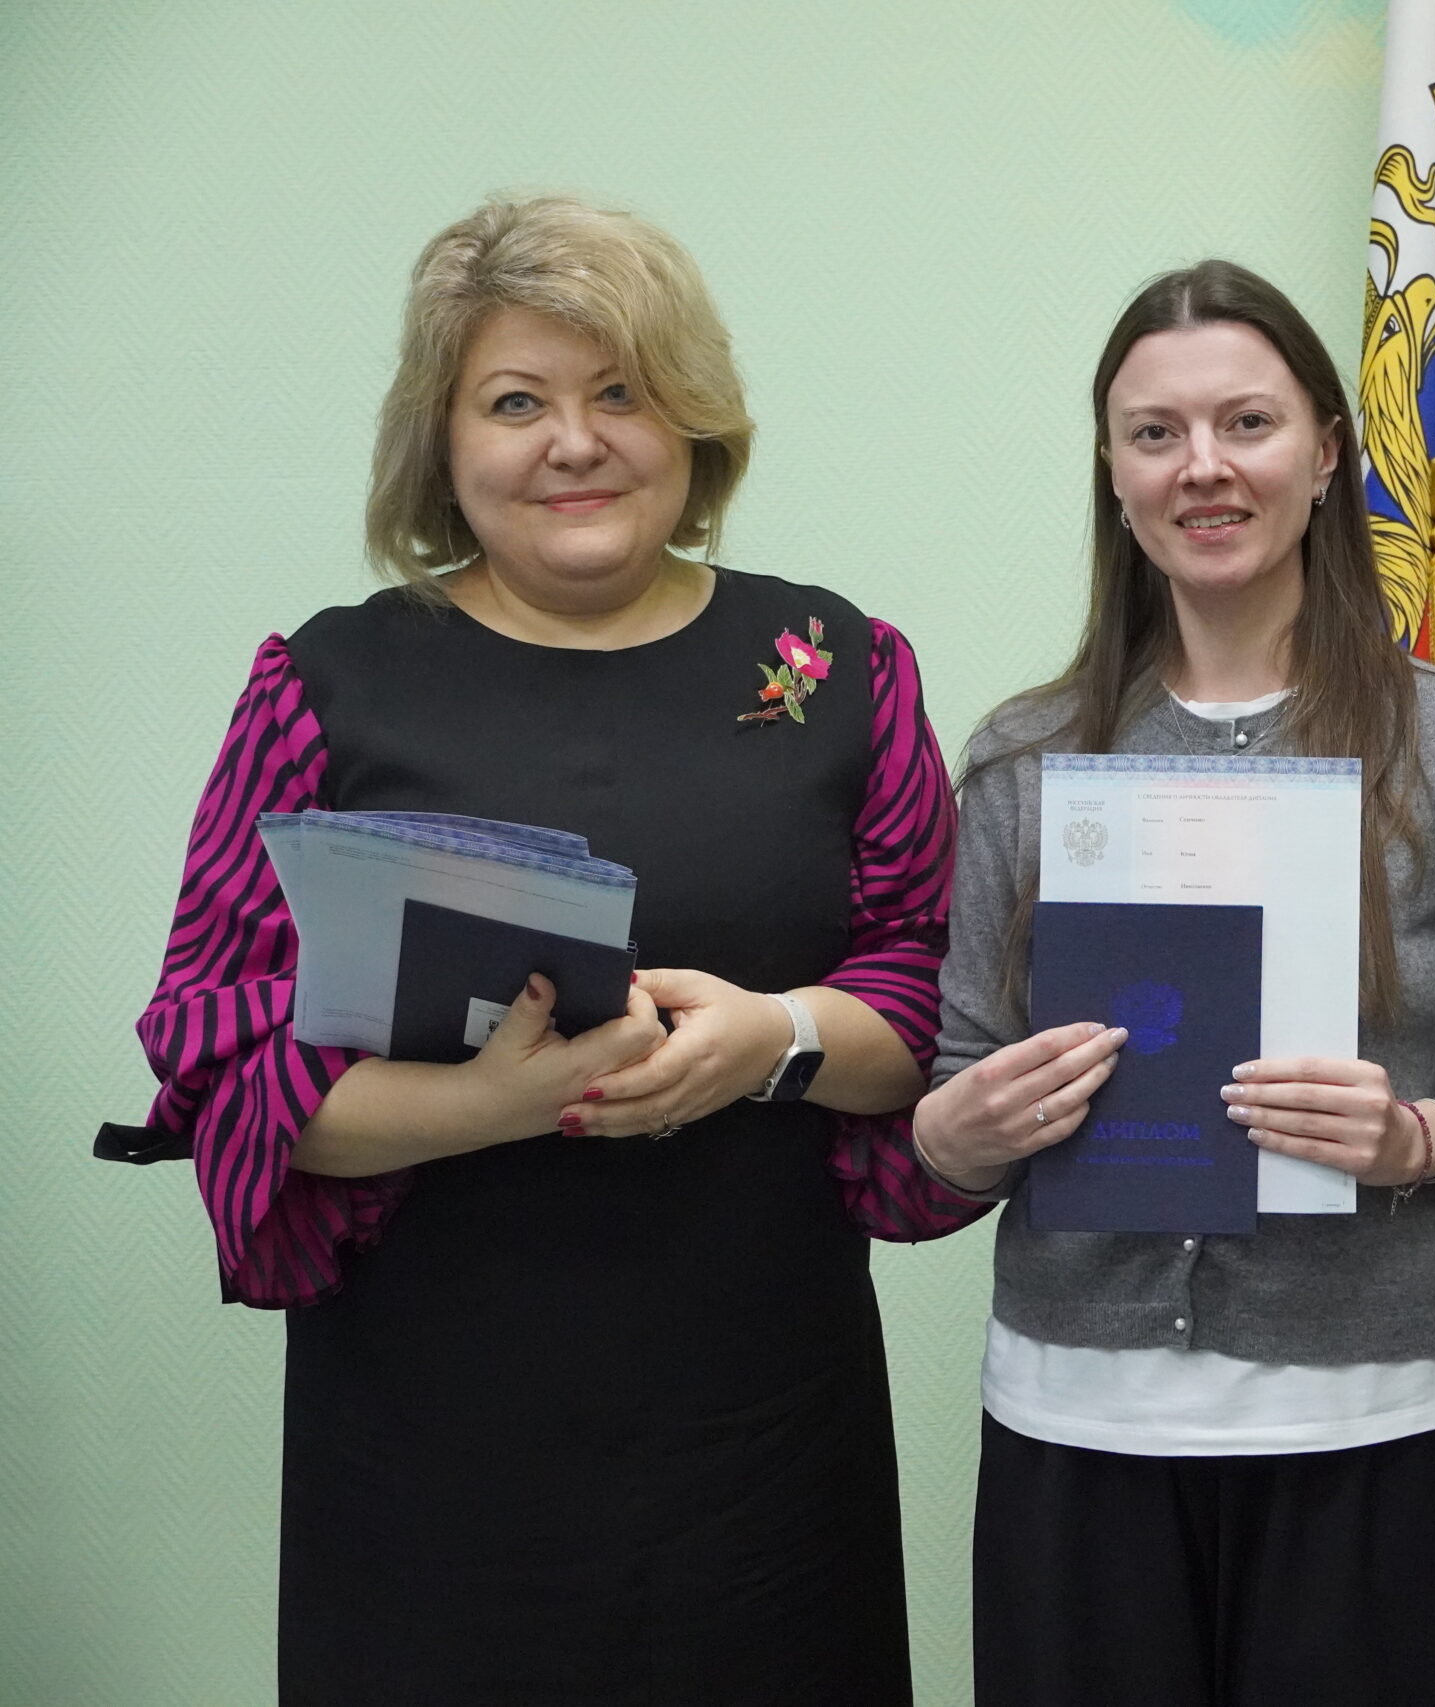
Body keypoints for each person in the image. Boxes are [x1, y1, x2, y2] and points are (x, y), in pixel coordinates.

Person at [119, 195, 979, 1705]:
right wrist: (493, 1104)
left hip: (761, 1445)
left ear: (691, 420)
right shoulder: (327, 684)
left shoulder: (841, 667)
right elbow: (220, 1049)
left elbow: (938, 994)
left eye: (620, 392)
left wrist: (773, 1041)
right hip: (429, 1457)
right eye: (516, 402)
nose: (574, 443)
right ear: (443, 444)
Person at [911, 259, 1435, 1707]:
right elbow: (953, 1082)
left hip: (1374, 1421)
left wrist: (1429, 1137)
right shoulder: (1026, 759)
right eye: (1155, 433)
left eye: (1247, 422)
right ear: (1114, 474)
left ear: (1328, 451)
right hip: (1077, 1423)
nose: (1203, 467)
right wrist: (955, 1134)